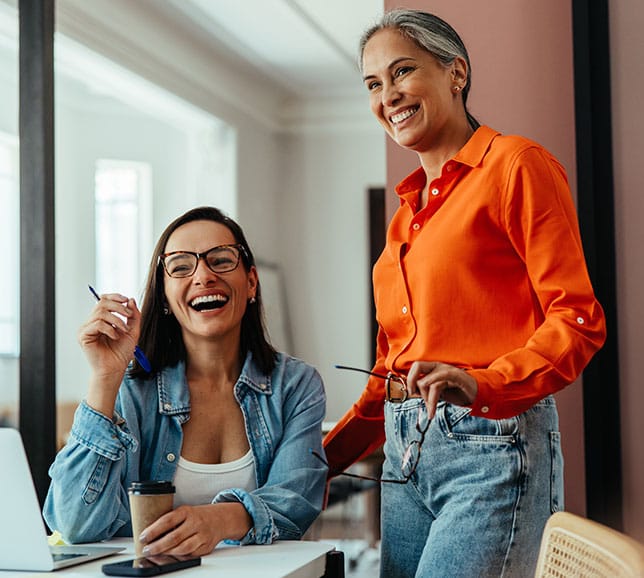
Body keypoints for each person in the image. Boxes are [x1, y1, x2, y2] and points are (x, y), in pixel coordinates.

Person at [322, 9, 606, 578]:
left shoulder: (515, 166)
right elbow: (392, 371)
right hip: (404, 457)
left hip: (491, 450)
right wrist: (319, 462)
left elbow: (577, 319)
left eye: (402, 72)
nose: (388, 96)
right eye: (373, 85)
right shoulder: (406, 217)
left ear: (456, 72)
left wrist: (482, 383)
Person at [44, 206, 327, 557]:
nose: (203, 276)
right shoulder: (130, 391)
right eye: (181, 267)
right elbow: (73, 524)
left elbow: (297, 500)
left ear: (251, 281)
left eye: (221, 260)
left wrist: (217, 520)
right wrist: (105, 378)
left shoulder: (296, 385)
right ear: (164, 296)